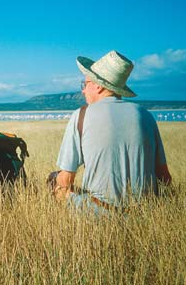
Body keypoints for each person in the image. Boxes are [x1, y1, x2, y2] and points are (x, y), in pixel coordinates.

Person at [54, 50, 171, 214]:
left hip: (98, 213)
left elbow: (66, 180)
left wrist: (54, 178)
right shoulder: (146, 115)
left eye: (85, 84)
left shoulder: (82, 114)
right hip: (146, 213)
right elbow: (165, 179)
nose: (83, 90)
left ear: (99, 85)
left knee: (57, 186)